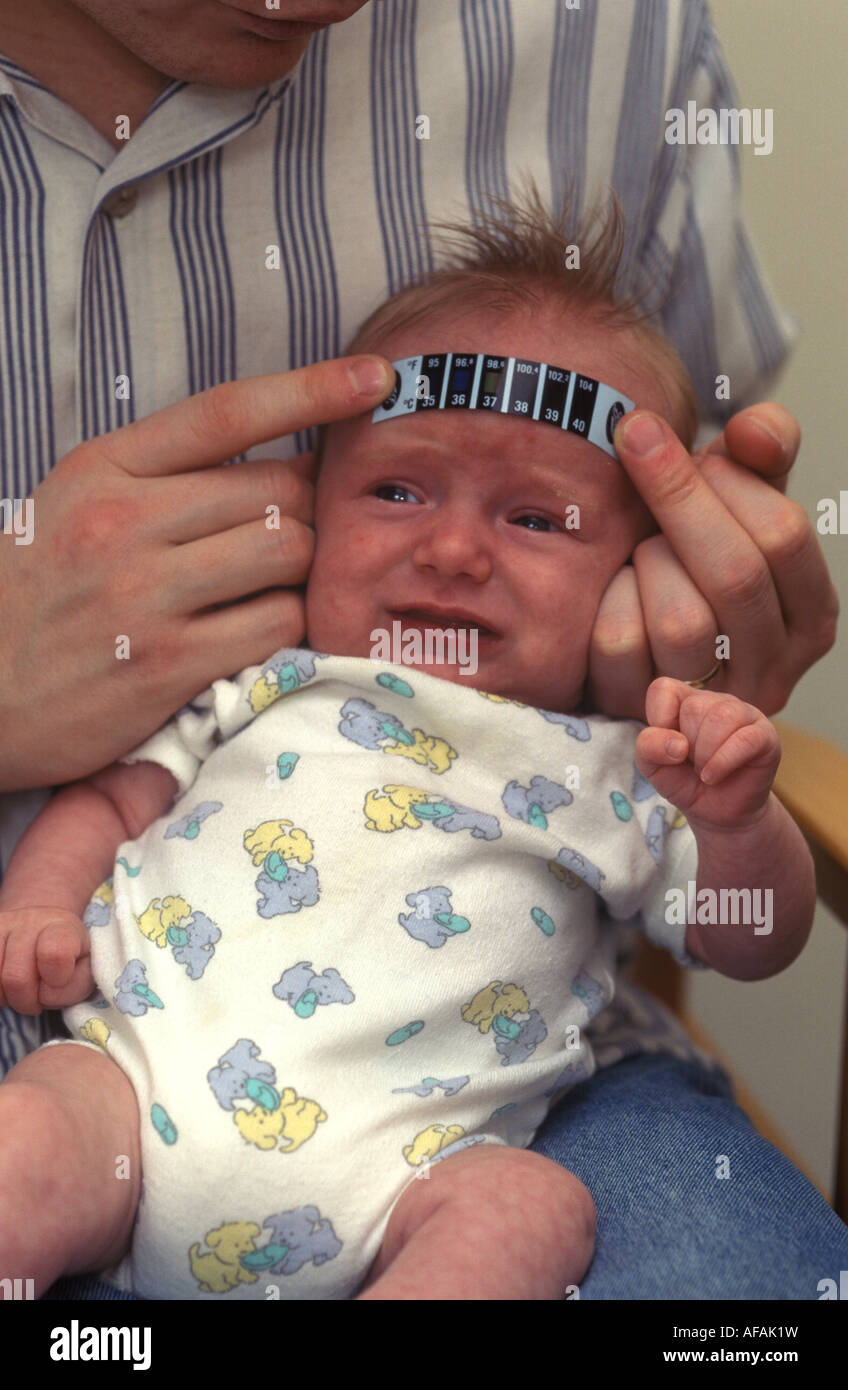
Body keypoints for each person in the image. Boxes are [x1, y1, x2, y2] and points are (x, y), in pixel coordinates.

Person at [0, 0, 841, 1299]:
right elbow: (121, 795)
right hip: (135, 1078)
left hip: (434, 1155)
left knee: (532, 1213)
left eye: (534, 517)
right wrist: (42, 905)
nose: (453, 552)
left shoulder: (608, 765)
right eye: (398, 493)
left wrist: (736, 810)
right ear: (314, 504)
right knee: (29, 1138)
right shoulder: (268, 683)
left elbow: (747, 934)